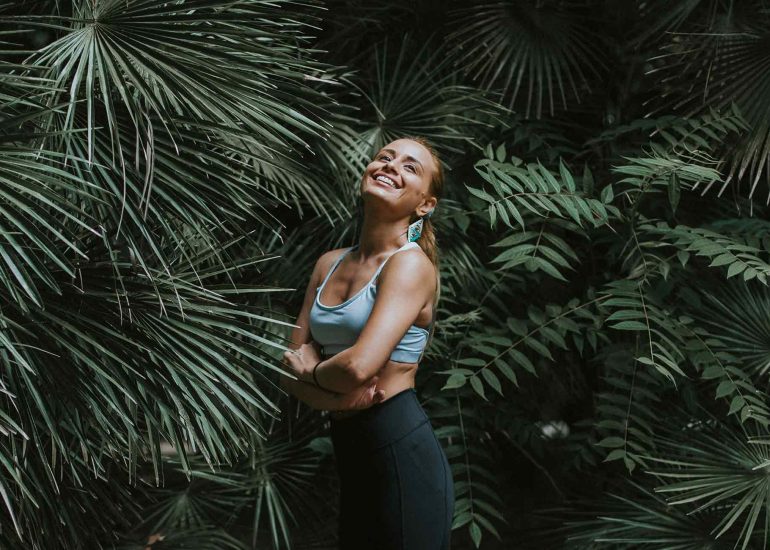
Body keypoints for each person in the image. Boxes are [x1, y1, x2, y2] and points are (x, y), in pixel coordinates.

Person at [280, 137, 454, 549]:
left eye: (410, 167)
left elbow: (358, 367)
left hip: (401, 452)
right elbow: (286, 369)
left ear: (425, 204)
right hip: (352, 451)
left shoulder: (410, 265)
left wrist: (312, 371)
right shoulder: (329, 263)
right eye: (385, 157)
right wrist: (338, 399)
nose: (391, 166)